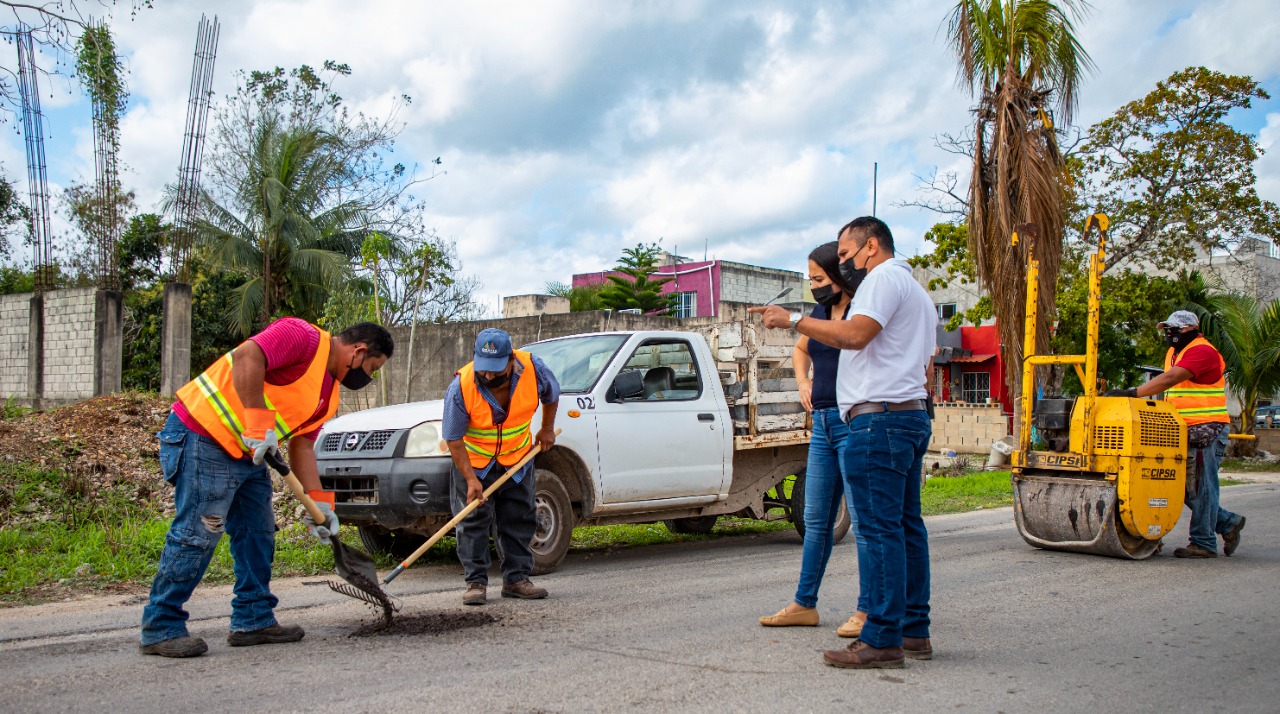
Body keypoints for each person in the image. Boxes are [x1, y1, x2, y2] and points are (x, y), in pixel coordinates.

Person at [140, 319, 393, 658]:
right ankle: (161, 625)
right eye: (373, 368)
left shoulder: (327, 397)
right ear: (359, 351)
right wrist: (258, 424)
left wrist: (320, 505)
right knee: (199, 534)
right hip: (203, 435)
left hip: (249, 454)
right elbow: (247, 356)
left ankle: (253, 619)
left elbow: (302, 448)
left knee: (257, 535)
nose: (368, 377)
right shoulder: (303, 337)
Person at [750, 216, 935, 669]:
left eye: (847, 255)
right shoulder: (917, 291)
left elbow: (854, 336)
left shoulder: (882, 280)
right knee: (906, 525)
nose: (846, 264)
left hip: (878, 423)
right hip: (907, 415)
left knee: (879, 530)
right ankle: (913, 629)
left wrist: (794, 320)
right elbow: (924, 365)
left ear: (871, 247)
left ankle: (881, 637)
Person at [758, 241, 869, 639]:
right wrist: (803, 381)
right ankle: (804, 604)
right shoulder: (822, 312)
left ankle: (868, 610)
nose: (815, 287)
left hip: (855, 420)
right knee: (816, 518)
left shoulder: (861, 312)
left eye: (820, 278)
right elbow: (802, 348)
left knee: (864, 519)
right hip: (822, 422)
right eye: (811, 280)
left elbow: (846, 340)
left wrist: (792, 319)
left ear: (841, 274)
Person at [1106, 310, 1246, 558]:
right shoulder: (1175, 352)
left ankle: (1203, 543)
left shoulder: (1203, 351)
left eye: (1175, 330)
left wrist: (1132, 393)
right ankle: (1227, 523)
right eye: (1167, 329)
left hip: (1207, 428)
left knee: (1201, 487)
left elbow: (1171, 379)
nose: (1169, 334)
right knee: (1177, 486)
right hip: (1182, 429)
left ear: (1192, 329)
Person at [443, 328, 560, 605]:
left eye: (496, 370)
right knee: (473, 521)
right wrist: (471, 480)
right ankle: (475, 583)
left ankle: (516, 579)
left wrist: (546, 429)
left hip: (517, 459)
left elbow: (552, 395)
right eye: (484, 369)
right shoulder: (461, 386)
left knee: (519, 518)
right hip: (475, 465)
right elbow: (453, 438)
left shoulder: (533, 369)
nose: (489, 376)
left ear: (511, 360)